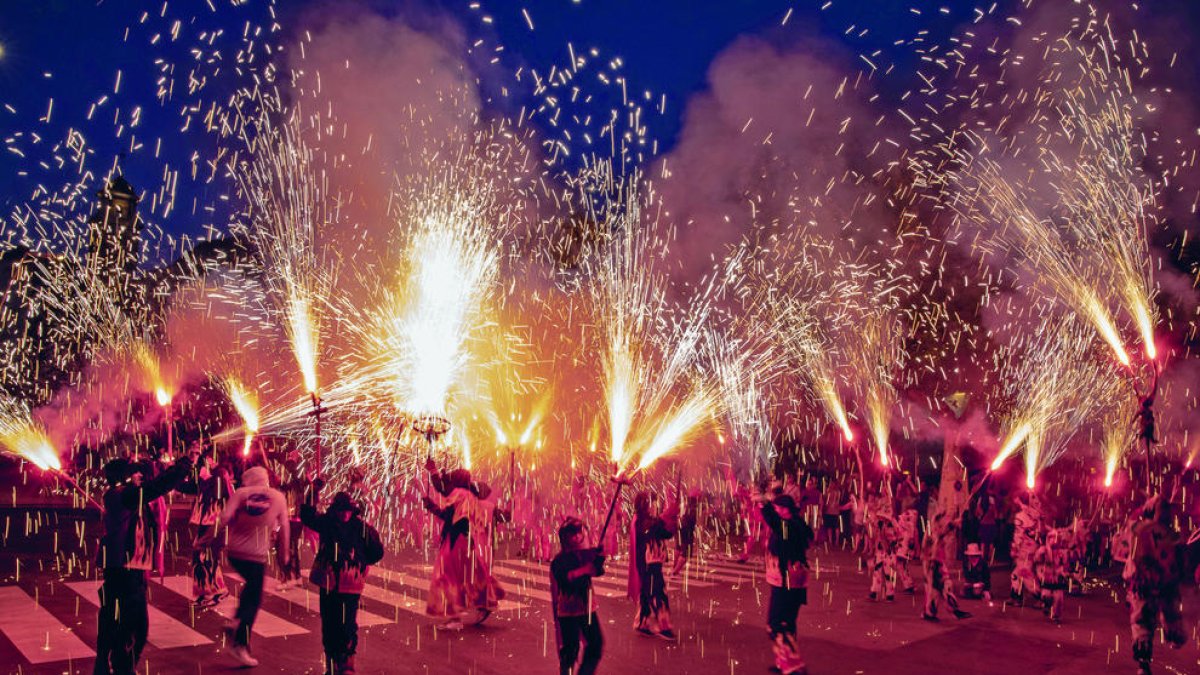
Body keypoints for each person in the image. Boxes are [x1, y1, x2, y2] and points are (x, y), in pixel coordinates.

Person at [94, 447, 196, 675]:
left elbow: (153, 488)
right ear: (124, 477)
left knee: (114, 619)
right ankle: (123, 668)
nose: (138, 476)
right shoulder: (124, 495)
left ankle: (108, 666)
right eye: (133, 473)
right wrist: (184, 463)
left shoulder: (117, 495)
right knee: (137, 627)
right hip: (126, 570)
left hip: (121, 568)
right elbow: (157, 487)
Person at [302, 490, 385, 675]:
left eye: (347, 510)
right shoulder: (328, 523)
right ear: (334, 510)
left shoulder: (362, 528)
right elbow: (307, 515)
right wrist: (312, 492)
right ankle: (332, 665)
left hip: (350, 586)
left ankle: (347, 665)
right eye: (340, 510)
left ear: (352, 510)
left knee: (347, 624)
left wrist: (360, 565)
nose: (344, 514)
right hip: (329, 584)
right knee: (329, 624)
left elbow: (377, 551)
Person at [217, 464, 290, 667]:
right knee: (254, 599)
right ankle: (239, 642)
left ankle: (235, 623)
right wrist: (284, 554)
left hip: (235, 553)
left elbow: (223, 518)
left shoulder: (240, 493)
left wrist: (206, 541)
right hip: (256, 556)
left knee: (251, 590)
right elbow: (285, 527)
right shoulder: (277, 497)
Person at [1124, 494, 1186, 675]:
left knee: (1143, 622)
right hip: (1155, 583)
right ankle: (1170, 640)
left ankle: (1144, 662)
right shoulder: (1170, 534)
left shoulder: (1138, 528)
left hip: (1148, 584)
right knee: (1147, 620)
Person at [760, 493, 814, 675]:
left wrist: (763, 504)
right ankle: (785, 663)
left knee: (775, 624)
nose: (775, 512)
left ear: (785, 510)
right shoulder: (795, 524)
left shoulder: (789, 527)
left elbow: (775, 522)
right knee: (787, 624)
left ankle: (793, 666)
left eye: (777, 508)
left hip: (787, 583)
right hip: (792, 583)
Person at [550, 517, 606, 675]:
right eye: (573, 535)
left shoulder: (582, 555)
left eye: (578, 534)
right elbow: (566, 578)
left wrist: (598, 558)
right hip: (569, 612)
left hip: (587, 609)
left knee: (595, 644)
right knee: (570, 651)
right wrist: (584, 570)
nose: (577, 538)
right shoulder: (560, 560)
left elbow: (597, 571)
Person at [181, 454, 232, 607]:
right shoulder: (205, 477)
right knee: (208, 557)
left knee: (201, 554)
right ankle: (218, 590)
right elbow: (189, 487)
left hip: (215, 523)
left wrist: (206, 477)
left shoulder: (218, 476)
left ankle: (206, 593)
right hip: (208, 523)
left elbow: (217, 495)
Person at [629, 490, 678, 640]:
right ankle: (664, 626)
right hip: (647, 565)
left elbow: (664, 533)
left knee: (648, 593)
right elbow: (652, 528)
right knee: (658, 593)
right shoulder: (640, 521)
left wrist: (673, 521)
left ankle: (642, 623)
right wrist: (667, 515)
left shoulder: (649, 520)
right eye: (652, 503)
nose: (654, 506)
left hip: (653, 563)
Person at [921, 510, 971, 621]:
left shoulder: (936, 528)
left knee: (946, 584)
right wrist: (953, 524)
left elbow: (944, 531)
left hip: (937, 561)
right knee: (933, 590)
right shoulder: (932, 530)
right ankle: (929, 613)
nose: (947, 521)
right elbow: (940, 533)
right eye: (945, 519)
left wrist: (953, 524)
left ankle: (952, 609)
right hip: (931, 563)